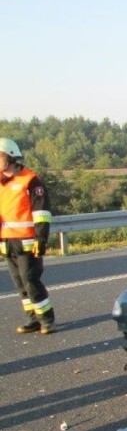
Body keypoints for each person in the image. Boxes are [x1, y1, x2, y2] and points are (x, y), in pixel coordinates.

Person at [0, 138, 56, 334]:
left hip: (28, 243)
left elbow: (41, 213)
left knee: (31, 281)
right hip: (8, 243)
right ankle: (32, 319)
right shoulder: (1, 183)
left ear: (11, 158)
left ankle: (46, 319)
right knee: (21, 285)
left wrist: (41, 239)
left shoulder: (31, 180)